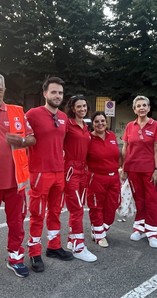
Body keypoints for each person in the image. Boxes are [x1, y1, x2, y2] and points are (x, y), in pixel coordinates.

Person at [26, 76, 73, 273]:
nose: (57, 95)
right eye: (53, 92)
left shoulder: (63, 117)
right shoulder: (32, 114)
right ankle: (34, 251)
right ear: (45, 93)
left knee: (55, 212)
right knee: (37, 214)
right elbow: (23, 138)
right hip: (39, 172)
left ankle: (53, 247)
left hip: (58, 172)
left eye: (60, 93)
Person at [0, 74, 36, 277]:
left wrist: (21, 141)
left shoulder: (16, 112)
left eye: (0, 86)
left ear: (4, 88)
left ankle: (15, 257)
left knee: (16, 223)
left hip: (15, 182)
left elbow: (32, 139)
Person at [121, 96, 157, 248]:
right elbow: (125, 148)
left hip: (150, 170)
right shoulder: (130, 126)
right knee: (139, 200)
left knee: (152, 201)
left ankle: (152, 232)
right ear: (134, 109)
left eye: (144, 105)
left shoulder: (155, 125)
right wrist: (124, 168)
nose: (142, 108)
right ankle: (139, 227)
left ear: (149, 108)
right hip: (133, 169)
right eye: (138, 106)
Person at [64, 95, 97, 262]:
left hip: (84, 170)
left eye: (84, 106)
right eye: (79, 106)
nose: (82, 109)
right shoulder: (67, 125)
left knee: (79, 207)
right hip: (70, 170)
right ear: (72, 108)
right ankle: (78, 246)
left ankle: (72, 239)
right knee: (76, 208)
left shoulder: (85, 126)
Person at [87, 111, 121, 247]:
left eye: (102, 121)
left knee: (112, 205)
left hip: (114, 177)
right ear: (93, 124)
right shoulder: (88, 139)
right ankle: (99, 236)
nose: (100, 123)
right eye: (97, 121)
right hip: (96, 177)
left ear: (106, 122)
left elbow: (117, 155)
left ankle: (99, 228)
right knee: (96, 206)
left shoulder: (111, 136)